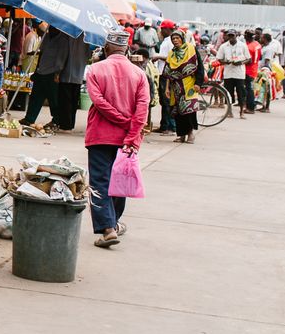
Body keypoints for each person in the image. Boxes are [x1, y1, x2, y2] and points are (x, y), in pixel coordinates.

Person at [85, 29, 149, 248]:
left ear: (106, 48)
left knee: (99, 182)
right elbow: (143, 109)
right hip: (127, 138)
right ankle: (114, 222)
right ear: (127, 49)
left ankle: (108, 228)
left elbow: (99, 101)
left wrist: (120, 120)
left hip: (100, 136)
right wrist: (132, 132)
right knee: (119, 182)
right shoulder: (139, 74)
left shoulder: (94, 69)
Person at [161, 29, 204, 143]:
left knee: (189, 110)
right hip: (176, 86)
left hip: (189, 84)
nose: (175, 40)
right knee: (177, 111)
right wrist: (167, 88)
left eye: (177, 38)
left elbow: (199, 67)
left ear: (182, 38)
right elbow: (168, 72)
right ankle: (181, 135)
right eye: (173, 39)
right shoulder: (172, 53)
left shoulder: (191, 49)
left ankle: (190, 134)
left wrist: (198, 83)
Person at [23, 25, 70, 129]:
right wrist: (36, 70)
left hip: (53, 73)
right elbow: (42, 53)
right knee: (35, 97)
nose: (51, 28)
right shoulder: (46, 36)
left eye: (54, 27)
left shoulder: (63, 40)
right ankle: (29, 118)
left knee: (53, 99)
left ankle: (56, 120)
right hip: (41, 71)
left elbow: (62, 58)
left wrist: (58, 74)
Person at [53, 34, 91, 133]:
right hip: (78, 73)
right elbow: (88, 55)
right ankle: (70, 124)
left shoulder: (67, 36)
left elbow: (62, 55)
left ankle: (65, 126)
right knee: (74, 101)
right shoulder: (85, 37)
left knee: (65, 100)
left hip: (67, 73)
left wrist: (58, 71)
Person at [216, 30, 250, 118]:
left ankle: (241, 112)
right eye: (229, 36)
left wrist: (241, 62)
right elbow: (219, 58)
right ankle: (229, 111)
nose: (231, 38)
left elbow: (248, 59)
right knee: (228, 93)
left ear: (236, 36)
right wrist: (225, 62)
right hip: (228, 73)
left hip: (239, 73)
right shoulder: (224, 46)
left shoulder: (242, 45)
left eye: (233, 36)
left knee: (241, 93)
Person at [243, 30, 262, 113]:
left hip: (248, 70)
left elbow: (249, 60)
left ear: (247, 36)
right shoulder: (257, 44)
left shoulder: (249, 47)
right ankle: (251, 105)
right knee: (250, 88)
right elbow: (260, 57)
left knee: (248, 89)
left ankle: (250, 107)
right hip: (254, 68)